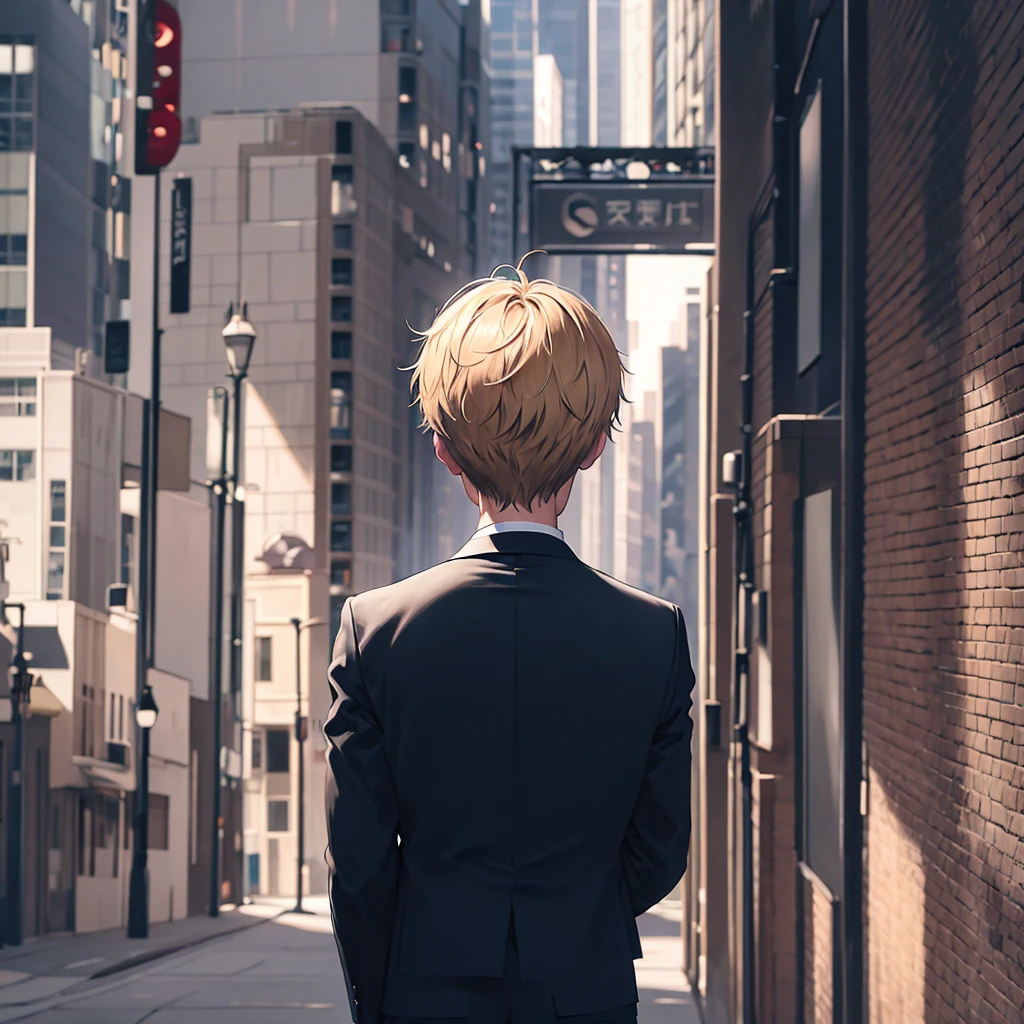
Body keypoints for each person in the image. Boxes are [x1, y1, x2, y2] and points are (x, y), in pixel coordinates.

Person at [324, 260, 695, 1024]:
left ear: (446, 451)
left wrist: (380, 1002)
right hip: (587, 992)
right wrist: (576, 919)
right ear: (594, 446)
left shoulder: (374, 629)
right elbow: (660, 849)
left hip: (427, 991)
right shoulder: (651, 633)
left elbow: (359, 868)